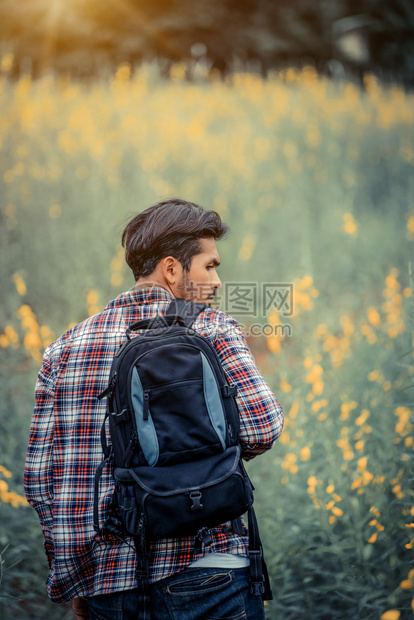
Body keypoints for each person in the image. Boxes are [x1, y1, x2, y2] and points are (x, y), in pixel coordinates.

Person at [24, 198, 284, 620]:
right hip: (208, 571)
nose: (217, 282)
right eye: (210, 266)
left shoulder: (64, 349)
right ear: (171, 269)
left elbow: (42, 482)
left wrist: (79, 581)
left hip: (108, 590)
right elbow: (262, 428)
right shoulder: (211, 328)